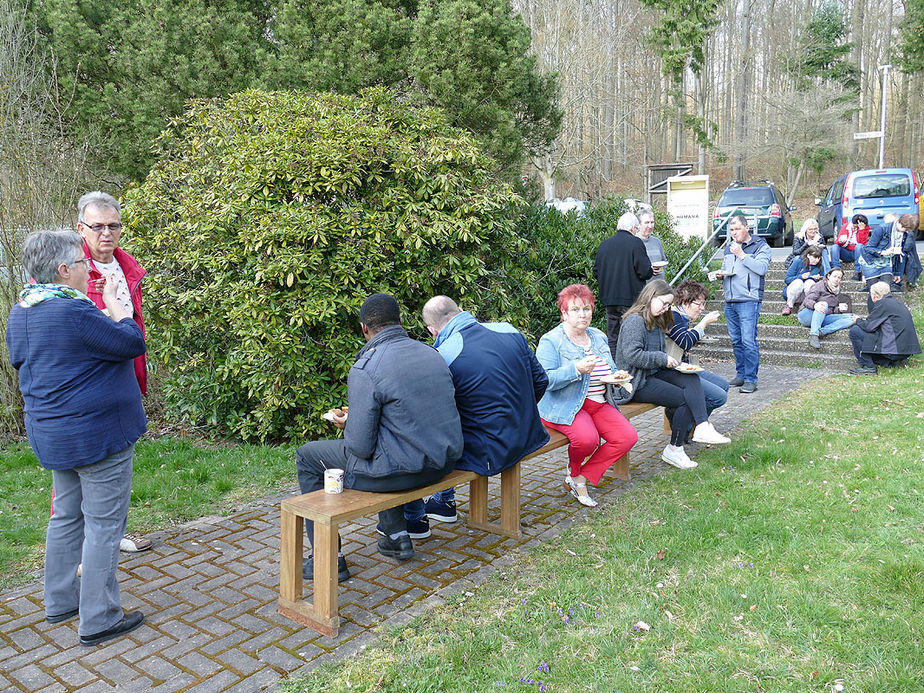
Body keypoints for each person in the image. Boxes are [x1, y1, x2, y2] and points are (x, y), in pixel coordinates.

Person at [6, 229, 147, 645]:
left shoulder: (24, 309)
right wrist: (120, 307)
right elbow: (131, 342)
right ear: (64, 270)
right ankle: (99, 618)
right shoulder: (74, 312)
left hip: (53, 435)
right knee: (104, 525)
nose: (89, 269)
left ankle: (60, 601)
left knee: (65, 517)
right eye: (83, 264)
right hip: (97, 435)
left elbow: (25, 358)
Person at [295, 294, 463, 581]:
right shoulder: (432, 353)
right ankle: (396, 536)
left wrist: (348, 424)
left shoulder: (366, 367)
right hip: (441, 465)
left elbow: (359, 446)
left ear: (364, 329)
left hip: (403, 473)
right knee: (391, 449)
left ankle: (328, 558)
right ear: (400, 321)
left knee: (308, 455)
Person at [418, 296, 550, 524]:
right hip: (528, 434)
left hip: (489, 452)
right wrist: (518, 413)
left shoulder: (444, 354)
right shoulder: (508, 330)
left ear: (432, 330)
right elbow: (541, 380)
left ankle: (437, 503)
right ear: (461, 310)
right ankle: (443, 500)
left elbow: (439, 416)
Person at [75, 191, 152, 554]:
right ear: (81, 228)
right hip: (87, 380)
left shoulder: (127, 266)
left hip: (125, 369)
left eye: (113, 225)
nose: (106, 233)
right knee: (81, 468)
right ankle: (82, 543)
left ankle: (112, 532)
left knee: (120, 457)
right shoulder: (69, 267)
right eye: (97, 226)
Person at [535, 284, 639, 506]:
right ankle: (574, 473)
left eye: (586, 309)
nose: (582, 315)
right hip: (567, 405)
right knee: (587, 440)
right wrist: (576, 369)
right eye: (575, 309)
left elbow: (608, 367)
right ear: (563, 313)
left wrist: (616, 375)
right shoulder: (551, 341)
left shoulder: (598, 336)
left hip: (598, 403)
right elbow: (544, 380)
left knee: (627, 437)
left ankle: (579, 477)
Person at [612, 280, 731, 470]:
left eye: (668, 305)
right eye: (663, 303)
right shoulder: (635, 320)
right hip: (635, 382)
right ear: (650, 297)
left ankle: (702, 426)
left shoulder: (656, 319)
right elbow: (632, 355)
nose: (665, 308)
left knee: (690, 377)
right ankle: (674, 449)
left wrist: (669, 362)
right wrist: (662, 357)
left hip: (653, 373)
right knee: (684, 398)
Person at [718, 214, 772, 393]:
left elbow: (762, 269)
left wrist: (742, 255)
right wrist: (721, 274)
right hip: (730, 300)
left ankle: (751, 379)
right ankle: (741, 374)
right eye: (731, 230)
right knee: (736, 341)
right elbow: (732, 271)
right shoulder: (729, 248)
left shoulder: (760, 246)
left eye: (737, 229)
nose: (734, 233)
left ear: (747, 228)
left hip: (749, 300)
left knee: (748, 341)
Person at [593, 212, 654, 359]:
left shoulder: (604, 244)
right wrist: (652, 269)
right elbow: (645, 272)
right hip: (631, 300)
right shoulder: (635, 243)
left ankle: (615, 369)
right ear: (633, 229)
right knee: (632, 336)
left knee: (613, 337)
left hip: (609, 299)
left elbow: (596, 272)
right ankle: (629, 369)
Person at [666, 281, 729, 419]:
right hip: (671, 369)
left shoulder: (682, 316)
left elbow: (683, 338)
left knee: (723, 385)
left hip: (683, 366)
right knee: (719, 397)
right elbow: (685, 342)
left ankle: (694, 425)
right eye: (698, 304)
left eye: (703, 304)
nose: (702, 308)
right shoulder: (671, 315)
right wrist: (703, 323)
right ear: (684, 302)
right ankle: (685, 423)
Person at [848, 281, 921, 374]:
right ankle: (892, 362)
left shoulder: (883, 304)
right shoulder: (897, 303)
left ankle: (868, 366)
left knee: (855, 331)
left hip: (894, 350)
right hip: (906, 350)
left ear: (874, 295)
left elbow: (869, 326)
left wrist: (857, 320)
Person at [856, 214, 918, 297]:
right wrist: (883, 252)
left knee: (885, 290)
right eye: (906, 229)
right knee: (874, 292)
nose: (907, 232)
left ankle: (884, 309)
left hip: (886, 263)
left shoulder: (904, 234)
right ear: (900, 223)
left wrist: (898, 273)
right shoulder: (882, 228)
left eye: (909, 230)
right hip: (870, 262)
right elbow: (868, 248)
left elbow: (900, 254)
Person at [798, 267, 857, 349]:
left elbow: (832, 310)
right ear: (829, 276)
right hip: (806, 315)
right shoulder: (819, 285)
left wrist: (839, 309)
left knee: (852, 317)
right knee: (823, 304)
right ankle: (813, 335)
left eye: (839, 277)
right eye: (834, 276)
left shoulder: (836, 291)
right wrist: (815, 305)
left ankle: (822, 331)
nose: (836, 279)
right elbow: (807, 300)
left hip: (822, 317)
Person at [781, 246, 827, 316]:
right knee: (799, 282)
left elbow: (823, 285)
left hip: (807, 293)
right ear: (808, 255)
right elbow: (787, 279)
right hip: (793, 292)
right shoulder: (798, 262)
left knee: (810, 283)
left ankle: (806, 305)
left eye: (818, 258)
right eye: (814, 257)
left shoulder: (820, 267)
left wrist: (818, 279)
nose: (816, 260)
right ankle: (789, 306)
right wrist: (801, 277)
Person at [830, 214, 871, 279]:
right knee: (834, 247)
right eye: (855, 225)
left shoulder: (865, 229)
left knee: (859, 246)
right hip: (845, 252)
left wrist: (861, 230)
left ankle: (857, 272)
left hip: (858, 253)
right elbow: (837, 242)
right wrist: (841, 241)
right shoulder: (845, 227)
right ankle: (836, 270)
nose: (856, 227)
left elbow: (862, 243)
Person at [637, 210, 667, 282]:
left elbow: (663, 260)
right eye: (647, 222)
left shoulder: (657, 242)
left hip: (659, 287)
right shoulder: (634, 242)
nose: (650, 226)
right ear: (638, 224)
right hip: (644, 289)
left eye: (652, 222)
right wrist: (648, 271)